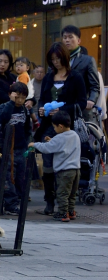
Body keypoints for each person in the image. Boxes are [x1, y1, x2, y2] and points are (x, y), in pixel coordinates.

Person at [36, 42, 87, 215]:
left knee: (66, 167)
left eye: (58, 58)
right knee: (48, 165)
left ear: (64, 57)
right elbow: (42, 99)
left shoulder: (76, 77)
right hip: (49, 127)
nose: (56, 62)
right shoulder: (49, 77)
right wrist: (42, 110)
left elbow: (81, 103)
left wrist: (62, 110)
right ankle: (49, 201)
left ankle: (65, 204)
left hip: (67, 128)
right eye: (52, 59)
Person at [29, 110, 81, 222]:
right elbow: (64, 145)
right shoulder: (75, 135)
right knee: (71, 193)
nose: (54, 129)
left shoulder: (59, 138)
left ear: (60, 126)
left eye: (55, 127)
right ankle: (71, 212)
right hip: (76, 170)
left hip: (64, 171)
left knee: (62, 193)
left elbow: (47, 148)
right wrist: (52, 140)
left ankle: (62, 213)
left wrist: (34, 144)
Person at [0, 81, 32, 215]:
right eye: (17, 96)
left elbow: (28, 128)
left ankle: (17, 203)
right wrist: (11, 103)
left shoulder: (25, 110)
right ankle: (10, 204)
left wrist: (27, 144)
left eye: (23, 97)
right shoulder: (4, 107)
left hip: (21, 148)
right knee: (8, 177)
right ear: (10, 95)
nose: (20, 100)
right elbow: (2, 119)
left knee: (20, 178)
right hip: (7, 149)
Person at [61, 26, 100, 119]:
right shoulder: (57, 60)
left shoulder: (88, 60)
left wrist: (91, 100)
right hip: (60, 108)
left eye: (70, 37)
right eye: (65, 37)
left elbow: (94, 86)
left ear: (78, 41)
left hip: (80, 108)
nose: (67, 40)